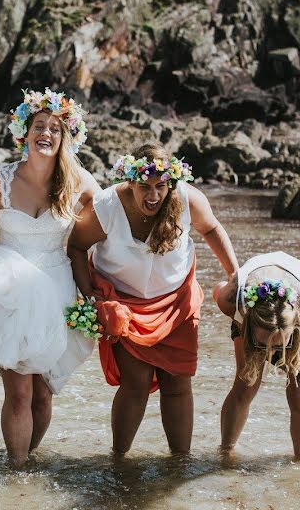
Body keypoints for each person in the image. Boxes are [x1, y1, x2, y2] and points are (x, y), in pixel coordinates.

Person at [69, 144, 239, 455]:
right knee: (135, 384)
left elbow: (211, 228)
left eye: (160, 187)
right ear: (129, 182)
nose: (152, 195)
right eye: (144, 187)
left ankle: (180, 464)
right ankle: (118, 459)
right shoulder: (106, 205)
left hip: (178, 305)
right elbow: (77, 246)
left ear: (170, 184)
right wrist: (88, 293)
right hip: (126, 305)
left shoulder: (187, 199)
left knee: (178, 384)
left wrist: (234, 274)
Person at [0, 88, 101, 467]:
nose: (47, 133)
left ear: (65, 136)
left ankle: (30, 458)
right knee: (19, 393)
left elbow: (111, 218)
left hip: (57, 292)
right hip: (10, 296)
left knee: (43, 394)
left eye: (55, 128)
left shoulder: (78, 182)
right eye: (39, 125)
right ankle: (16, 470)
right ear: (24, 132)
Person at [213, 252, 300, 461]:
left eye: (280, 345)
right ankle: (225, 453)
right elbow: (218, 288)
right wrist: (244, 333)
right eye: (264, 345)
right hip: (253, 303)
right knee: (245, 383)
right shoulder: (231, 300)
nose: (273, 354)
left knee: (299, 395)